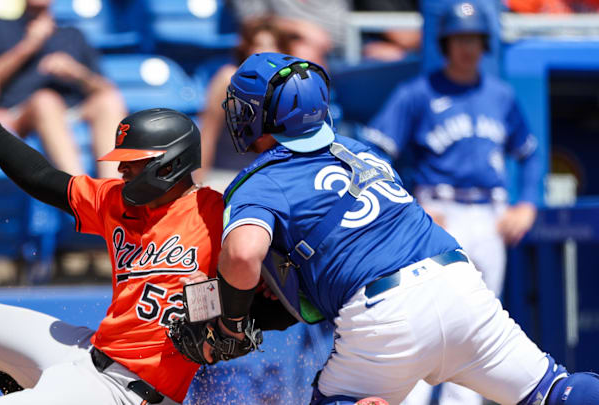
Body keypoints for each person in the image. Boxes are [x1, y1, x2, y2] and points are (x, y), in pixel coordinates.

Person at [208, 50, 599, 404]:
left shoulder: (260, 179)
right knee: (552, 390)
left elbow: (244, 254)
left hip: (383, 316)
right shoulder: (361, 150)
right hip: (460, 285)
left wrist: (232, 323)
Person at [0, 58, 225, 404]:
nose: (121, 167)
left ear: (169, 163)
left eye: (133, 160)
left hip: (131, 391)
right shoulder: (116, 201)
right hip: (90, 355)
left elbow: (260, 271)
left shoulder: (215, 213)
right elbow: (39, 177)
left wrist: (224, 313)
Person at [363, 2, 541, 402]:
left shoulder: (500, 96)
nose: (467, 47)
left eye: (474, 39)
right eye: (459, 39)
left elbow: (530, 152)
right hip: (436, 213)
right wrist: (405, 204)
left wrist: (526, 203)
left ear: (485, 43)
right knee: (419, 318)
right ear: (445, 43)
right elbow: (373, 153)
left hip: (489, 213)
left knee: (477, 327)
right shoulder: (417, 93)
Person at [0, 0, 127, 178]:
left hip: (72, 110)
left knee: (109, 100)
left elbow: (105, 87)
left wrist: (76, 72)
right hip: (20, 113)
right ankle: (78, 193)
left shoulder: (73, 34)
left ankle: (112, 191)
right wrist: (29, 44)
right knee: (46, 100)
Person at [194, 16, 289, 185]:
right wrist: (198, 182)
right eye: (259, 44)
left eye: (272, 45)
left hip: (271, 179)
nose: (266, 51)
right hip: (225, 176)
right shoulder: (227, 79)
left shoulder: (290, 84)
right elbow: (208, 132)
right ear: (246, 48)